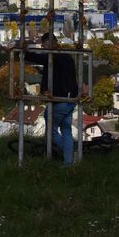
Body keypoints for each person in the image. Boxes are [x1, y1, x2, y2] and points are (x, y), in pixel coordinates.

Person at [24, 30, 79, 165]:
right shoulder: (66, 57)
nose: (44, 49)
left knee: (51, 130)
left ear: (50, 43)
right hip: (71, 98)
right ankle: (68, 162)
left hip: (58, 99)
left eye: (44, 45)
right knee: (66, 129)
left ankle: (70, 153)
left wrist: (24, 52)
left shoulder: (53, 57)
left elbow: (39, 58)